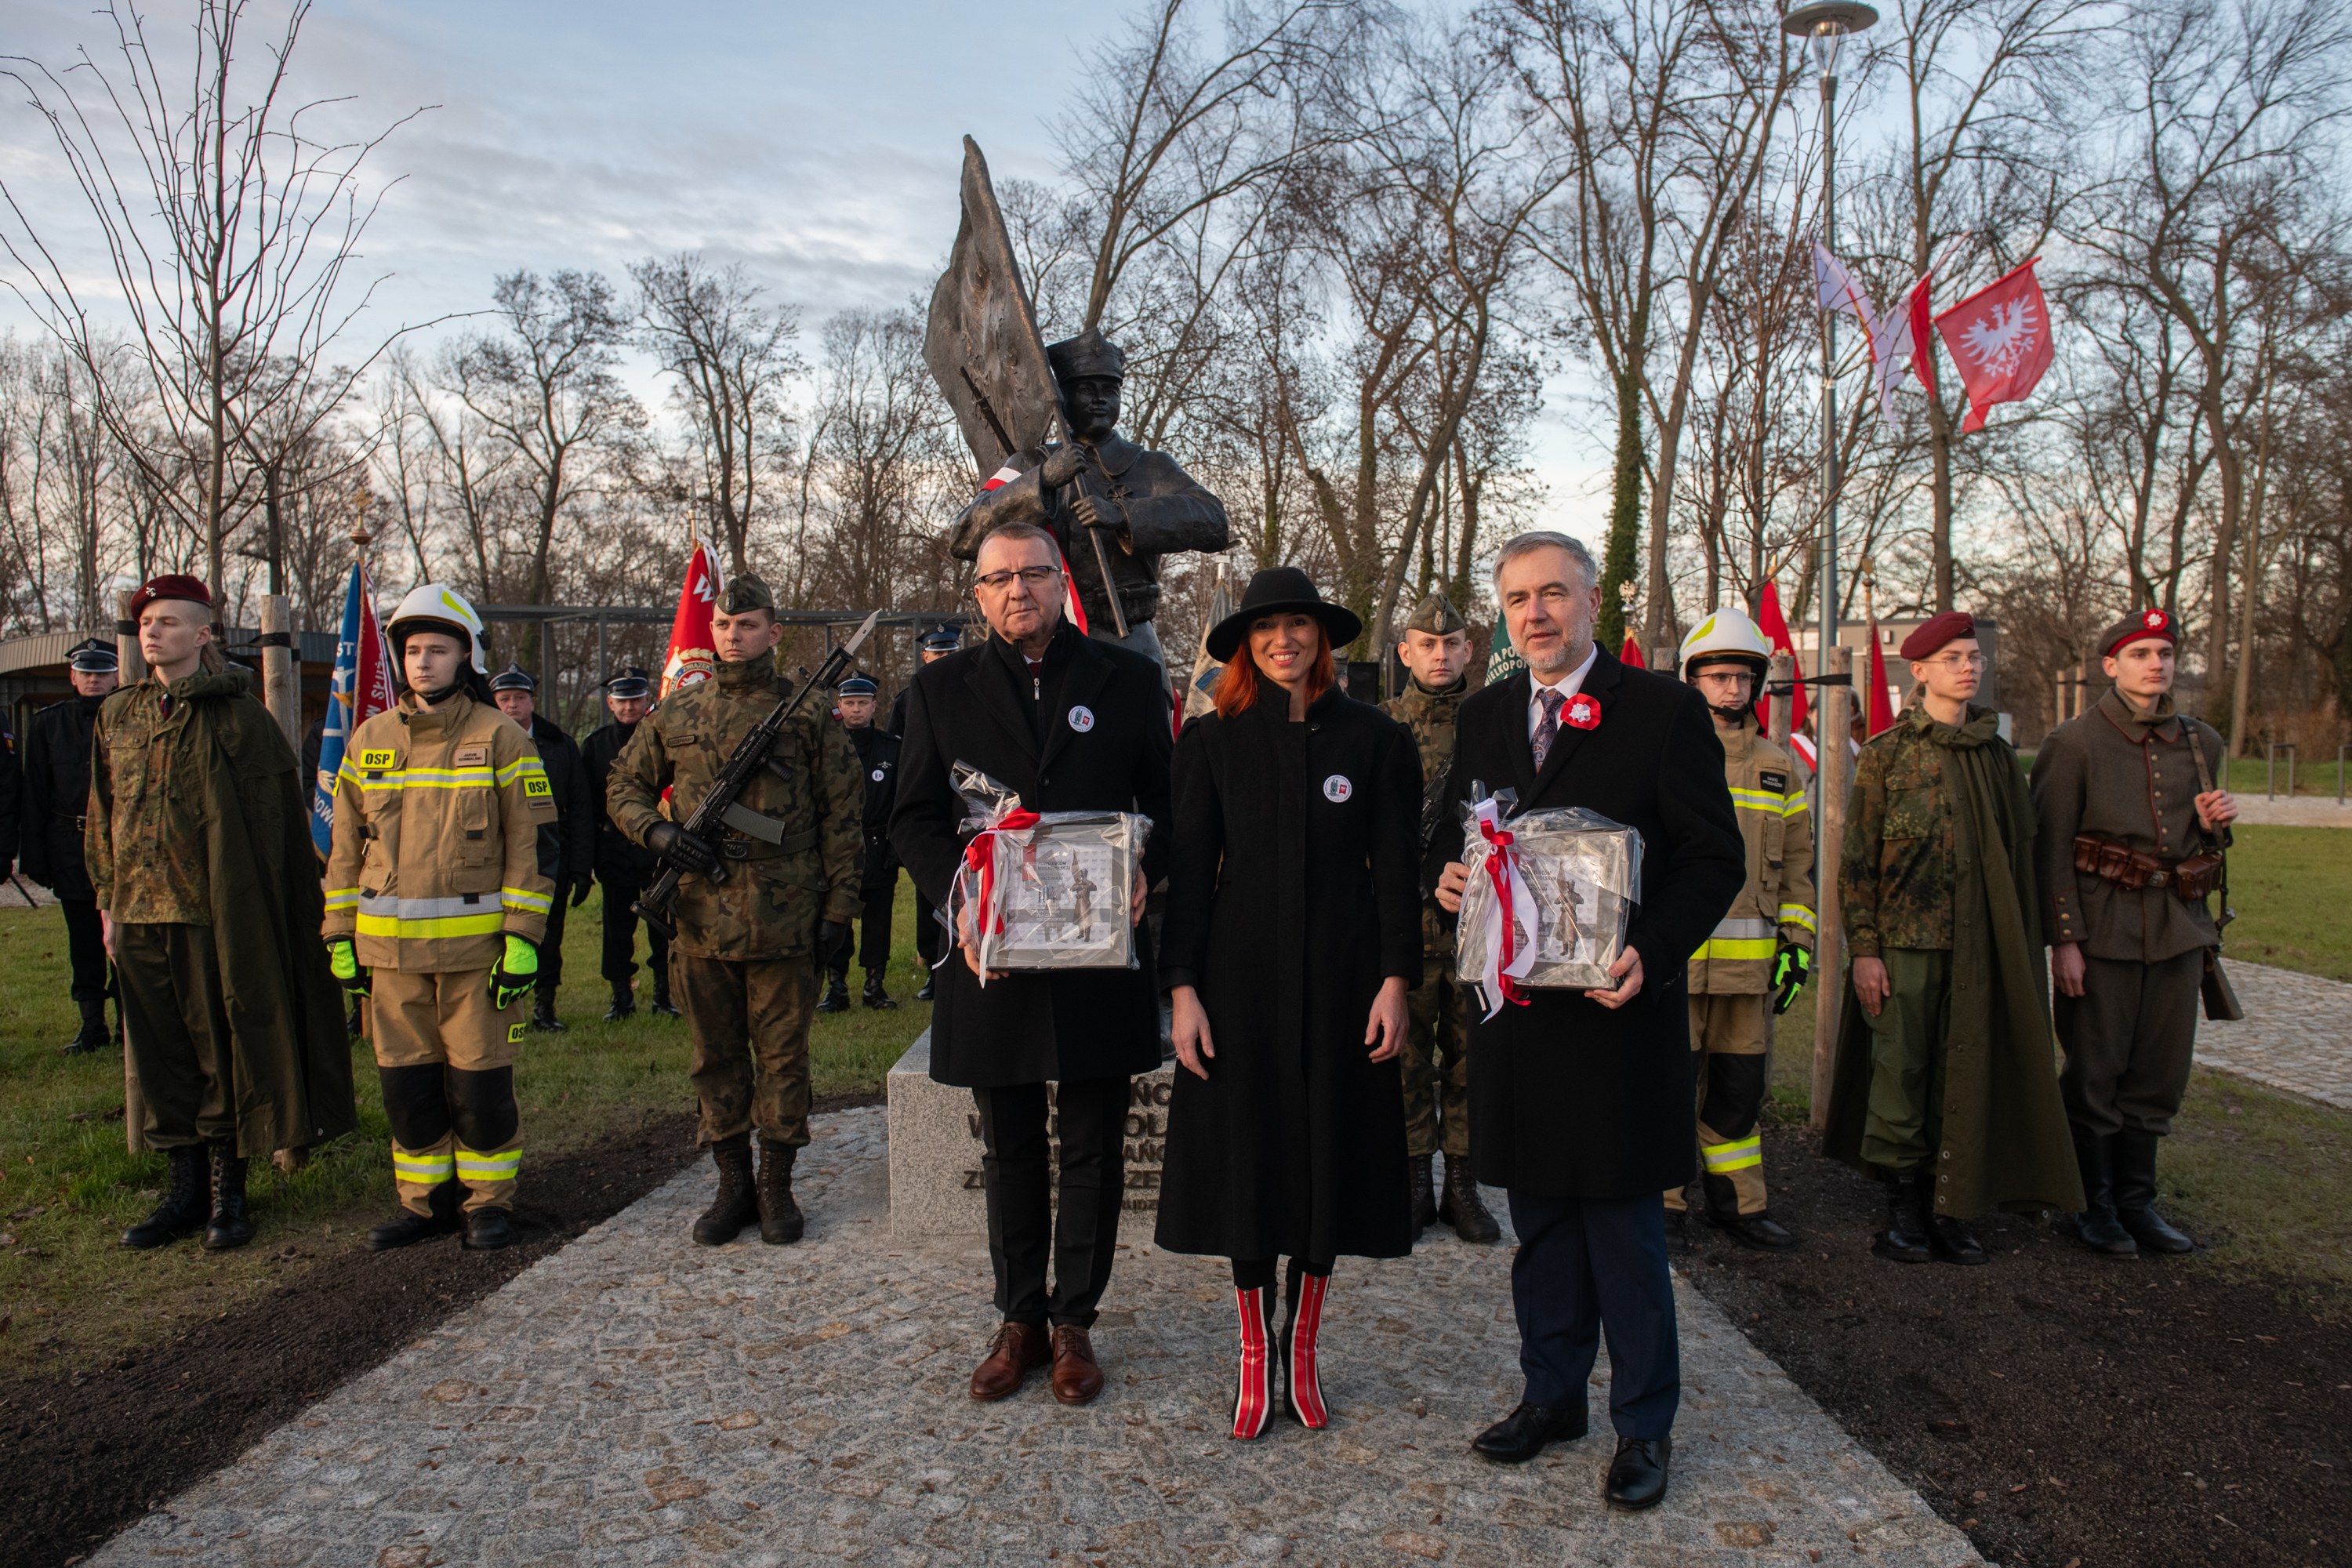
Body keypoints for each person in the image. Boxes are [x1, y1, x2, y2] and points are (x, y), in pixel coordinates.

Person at [1430, 532, 1744, 1511]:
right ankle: (1553, 1394)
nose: (1536, 613)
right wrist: (1441, 879)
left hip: (1615, 1017)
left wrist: (1653, 949)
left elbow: (1712, 857)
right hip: (1518, 1023)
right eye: (1518, 597)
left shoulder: (1662, 710)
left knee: (1625, 1236)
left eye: (1554, 593)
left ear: (1592, 599)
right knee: (1542, 1231)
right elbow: (1450, 834)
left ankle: (1644, 1424)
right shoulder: (1482, 715)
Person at [891, 521, 1172, 1407]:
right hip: (994, 951)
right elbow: (914, 818)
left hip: (1097, 948)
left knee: (1092, 1139)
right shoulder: (940, 689)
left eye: (1036, 574)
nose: (1020, 590)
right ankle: (1018, 1315)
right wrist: (961, 896)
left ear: (1063, 583)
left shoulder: (1126, 678)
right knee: (1010, 1142)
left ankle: (1075, 1320)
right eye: (999, 578)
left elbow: (1166, 801)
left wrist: (1145, 871)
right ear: (977, 595)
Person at [1155, 566, 1420, 1440]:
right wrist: (1182, 988)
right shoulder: (1210, 742)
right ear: (1243, 642)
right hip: (1237, 977)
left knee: (1325, 1152)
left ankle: (1300, 1343)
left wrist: (1395, 978)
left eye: (1298, 624)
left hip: (1345, 975)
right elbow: (1189, 877)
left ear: (1322, 636)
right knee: (1250, 1156)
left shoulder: (1378, 740)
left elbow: (1397, 876)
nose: (1284, 640)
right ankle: (1251, 1351)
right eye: (1266, 627)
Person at [90, 575, 354, 1252]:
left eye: (171, 622)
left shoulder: (241, 718)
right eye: (148, 622)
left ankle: (227, 1192)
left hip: (213, 918)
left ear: (204, 634)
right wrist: (107, 903)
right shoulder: (119, 714)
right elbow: (102, 815)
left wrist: (253, 916)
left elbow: (272, 834)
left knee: (222, 1051)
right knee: (162, 1056)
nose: (154, 632)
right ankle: (181, 1191)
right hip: (139, 915)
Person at [606, 574, 864, 1247]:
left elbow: (843, 817)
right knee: (714, 1058)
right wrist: (658, 834)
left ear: (773, 633)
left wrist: (839, 909)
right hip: (698, 919)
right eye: (723, 625)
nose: (733, 636)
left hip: (786, 917)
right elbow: (623, 784)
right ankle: (733, 1183)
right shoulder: (678, 713)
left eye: (747, 625)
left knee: (784, 1059)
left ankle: (777, 1186)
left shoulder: (809, 714)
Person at [1824, 610, 2082, 1268]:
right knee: (1901, 1072)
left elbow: (2016, 859)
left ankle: (1952, 1207)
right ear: (1920, 672)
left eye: (1974, 657)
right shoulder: (1886, 754)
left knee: (1964, 1072)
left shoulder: (1997, 757)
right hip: (1907, 945)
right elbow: (1857, 863)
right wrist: (1867, 951)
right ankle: (1902, 1211)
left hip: (1980, 947)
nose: (1969, 667)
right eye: (1954, 659)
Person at [326, 586, 557, 1252]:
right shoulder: (369, 740)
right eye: (412, 650)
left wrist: (522, 940)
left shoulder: (502, 737)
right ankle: (425, 1205)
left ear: (467, 658)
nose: (422, 662)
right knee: (408, 1091)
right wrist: (339, 935)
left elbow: (532, 848)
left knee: (480, 1092)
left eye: (438, 650)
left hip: (475, 961)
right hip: (390, 962)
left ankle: (488, 1204)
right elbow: (344, 848)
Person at [2031, 608, 2236, 1257]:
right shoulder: (2075, 742)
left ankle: (2137, 1204)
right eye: (2143, 653)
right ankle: (2090, 1207)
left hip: (2179, 928)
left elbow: (2205, 845)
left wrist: (2217, 825)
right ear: (2111, 665)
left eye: (2166, 653)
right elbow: (2051, 848)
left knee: (2160, 1072)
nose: (2157, 664)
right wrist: (2065, 939)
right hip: (2103, 930)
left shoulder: (2202, 742)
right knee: (2096, 1070)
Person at [945, 328, 1229, 677]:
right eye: (1085, 390)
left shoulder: (1150, 466)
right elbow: (963, 536)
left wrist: (1123, 515)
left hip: (1128, 635)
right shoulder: (1030, 464)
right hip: (1045, 640)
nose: (1099, 400)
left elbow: (1213, 520)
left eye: (1110, 390)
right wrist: (1043, 480)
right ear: (1062, 397)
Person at [1667, 608, 1816, 1251]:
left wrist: (1798, 946)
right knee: (1668, 1088)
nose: (1732, 690)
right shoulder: (1667, 753)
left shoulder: (1780, 767)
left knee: (1738, 1092)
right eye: (1719, 677)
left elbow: (1800, 869)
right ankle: (1664, 1203)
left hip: (1749, 972)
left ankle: (1741, 1205)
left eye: (1743, 678)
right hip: (1673, 964)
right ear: (1693, 681)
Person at [1377, 589, 1495, 1243]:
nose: (1441, 654)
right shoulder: (1382, 723)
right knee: (1407, 1057)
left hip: (1480, 925)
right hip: (1407, 923)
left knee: (1472, 1057)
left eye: (1452, 644)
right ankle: (1415, 1182)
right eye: (1427, 644)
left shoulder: (1495, 722)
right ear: (1405, 652)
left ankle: (1463, 1186)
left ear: (1470, 650)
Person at [23, 638, 121, 1054]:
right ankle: (92, 1025)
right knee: (83, 938)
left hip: (121, 843)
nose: (94, 680)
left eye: (102, 672)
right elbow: (34, 795)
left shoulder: (131, 717)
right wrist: (36, 857)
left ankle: (130, 1026)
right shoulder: (49, 724)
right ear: (73, 676)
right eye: (87, 673)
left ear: (117, 675)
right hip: (71, 842)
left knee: (126, 939)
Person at [488, 663, 593, 1032]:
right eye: (504, 699)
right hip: (495, 856)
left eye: (519, 698)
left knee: (548, 933)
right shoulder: (484, 741)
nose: (512, 706)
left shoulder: (561, 744)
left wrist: (582, 868)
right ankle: (498, 1004)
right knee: (496, 934)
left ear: (532, 701)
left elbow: (581, 810)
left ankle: (544, 1008)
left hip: (551, 855)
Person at [581, 666, 675, 1021]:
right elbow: (587, 805)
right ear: (610, 703)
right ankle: (621, 998)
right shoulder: (595, 744)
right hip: (614, 849)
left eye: (636, 699)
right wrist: (588, 859)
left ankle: (665, 997)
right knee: (617, 930)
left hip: (657, 847)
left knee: (663, 927)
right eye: (622, 700)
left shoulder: (663, 737)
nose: (629, 706)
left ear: (648, 699)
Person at [821, 672, 902, 1014]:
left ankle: (874, 985)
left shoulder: (891, 748)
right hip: (837, 845)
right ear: (838, 706)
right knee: (836, 916)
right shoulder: (828, 745)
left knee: (878, 920)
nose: (856, 710)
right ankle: (836, 987)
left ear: (874, 706)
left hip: (878, 843)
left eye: (863, 704)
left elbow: (900, 800)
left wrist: (896, 849)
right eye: (849, 703)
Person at [893, 624, 961, 1000]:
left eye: (949, 653)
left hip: (970, 810)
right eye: (937, 655)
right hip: (930, 804)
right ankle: (934, 967)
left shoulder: (973, 689)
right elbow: (900, 757)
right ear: (925, 658)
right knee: (930, 894)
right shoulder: (908, 700)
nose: (943, 660)